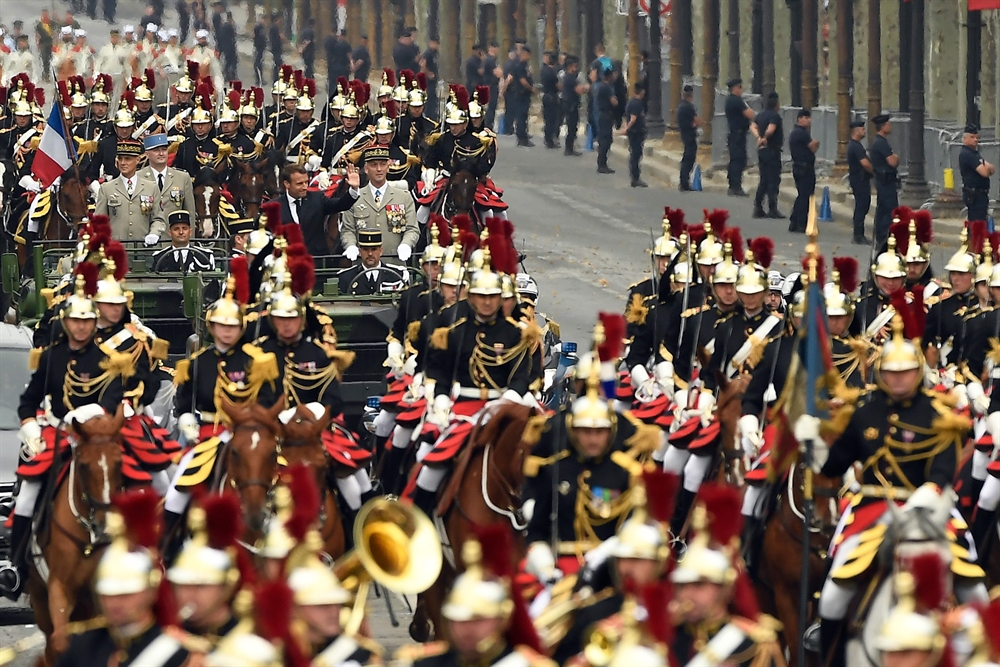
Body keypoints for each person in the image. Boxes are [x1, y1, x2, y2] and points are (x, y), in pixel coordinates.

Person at [801, 310, 984, 667]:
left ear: (918, 372)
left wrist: (929, 493)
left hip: (928, 507)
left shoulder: (938, 414)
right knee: (835, 588)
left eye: (906, 372)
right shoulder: (864, 412)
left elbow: (945, 469)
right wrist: (815, 445)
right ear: (881, 374)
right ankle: (829, 650)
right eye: (891, 373)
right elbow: (835, 466)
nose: (899, 380)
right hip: (872, 507)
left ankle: (984, 645)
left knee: (971, 574)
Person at [1, 271, 127, 601]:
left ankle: (145, 560)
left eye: (87, 321)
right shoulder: (50, 358)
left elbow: (113, 400)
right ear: (67, 322)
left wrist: (86, 418)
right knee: (26, 495)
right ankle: (16, 568)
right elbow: (27, 403)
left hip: (95, 437)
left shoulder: (108, 360)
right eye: (75, 321)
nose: (82, 327)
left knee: (134, 481)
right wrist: (31, 430)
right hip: (56, 436)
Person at [55, 494, 193, 667]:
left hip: (139, 469)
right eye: (109, 594)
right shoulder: (81, 647)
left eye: (126, 594)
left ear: (150, 592)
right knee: (27, 500)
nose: (115, 603)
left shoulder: (178, 654)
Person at [340, 146, 419, 260]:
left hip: (394, 263)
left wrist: (406, 244)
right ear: (366, 169)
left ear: (388, 167)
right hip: (363, 265)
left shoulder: (403, 197)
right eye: (374, 165)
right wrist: (351, 246)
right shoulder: (354, 197)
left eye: (382, 164)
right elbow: (347, 230)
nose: (379, 169)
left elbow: (412, 229)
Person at [279, 163, 360, 259]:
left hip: (317, 262)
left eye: (306, 182)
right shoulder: (274, 206)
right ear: (287, 184)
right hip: (286, 265)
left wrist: (354, 189)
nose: (305, 187)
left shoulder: (317, 199)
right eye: (299, 184)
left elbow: (341, 204)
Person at [95, 139, 166, 245]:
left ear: (137, 160)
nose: (123, 163)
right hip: (116, 251)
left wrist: (154, 233)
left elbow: (158, 218)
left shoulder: (151, 187)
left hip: (144, 249)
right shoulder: (106, 188)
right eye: (120, 158)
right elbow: (99, 221)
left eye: (127, 159)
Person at [140, 133, 196, 222]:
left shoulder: (182, 178)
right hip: (147, 234)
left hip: (174, 233)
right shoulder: (138, 177)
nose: (161, 153)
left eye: (164, 149)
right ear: (147, 154)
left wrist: (190, 235)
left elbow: (190, 213)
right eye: (156, 150)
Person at [337, 229, 408, 295]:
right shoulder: (347, 277)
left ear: (381, 251)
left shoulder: (397, 275)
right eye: (365, 249)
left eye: (374, 249)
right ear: (360, 251)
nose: (370, 253)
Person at [151, 211, 216, 272]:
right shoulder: (160, 258)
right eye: (176, 229)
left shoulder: (204, 256)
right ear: (170, 233)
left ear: (190, 232)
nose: (181, 232)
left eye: (184, 228)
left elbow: (212, 283)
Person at [753, 91, 784, 219]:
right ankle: (772, 207)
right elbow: (771, 128)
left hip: (762, 150)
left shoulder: (761, 115)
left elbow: (753, 126)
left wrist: (758, 137)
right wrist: (765, 137)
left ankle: (758, 206)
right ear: (776, 104)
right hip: (772, 150)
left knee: (763, 179)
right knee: (773, 180)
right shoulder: (775, 116)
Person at [870, 113, 899, 243]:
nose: (890, 126)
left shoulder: (880, 142)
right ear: (883, 126)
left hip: (884, 180)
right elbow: (892, 161)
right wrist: (896, 158)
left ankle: (882, 235)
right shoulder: (881, 143)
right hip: (885, 181)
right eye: (888, 124)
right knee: (889, 209)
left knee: (883, 208)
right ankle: (885, 236)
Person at [788, 108, 818, 233]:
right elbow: (812, 147)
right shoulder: (801, 133)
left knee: (802, 195)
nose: (808, 120)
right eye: (806, 118)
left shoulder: (796, 132)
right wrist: (817, 143)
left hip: (799, 167)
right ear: (799, 119)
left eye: (809, 118)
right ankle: (801, 222)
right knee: (805, 196)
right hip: (804, 168)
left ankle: (794, 220)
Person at [724, 78, 755, 196]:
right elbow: (750, 114)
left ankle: (733, 184)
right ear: (735, 88)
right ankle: (736, 186)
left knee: (735, 159)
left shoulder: (729, 100)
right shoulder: (737, 101)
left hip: (734, 134)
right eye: (740, 87)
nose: (742, 90)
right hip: (738, 134)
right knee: (739, 160)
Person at [960, 124, 995, 222]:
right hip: (975, 194)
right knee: (977, 224)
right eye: (972, 137)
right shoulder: (967, 154)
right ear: (965, 138)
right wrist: (986, 168)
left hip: (981, 194)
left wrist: (987, 168)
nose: (975, 140)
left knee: (981, 222)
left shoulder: (974, 154)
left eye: (976, 137)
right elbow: (985, 172)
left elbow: (992, 169)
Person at [847, 119, 874, 245]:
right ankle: (858, 234)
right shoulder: (855, 146)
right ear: (857, 131)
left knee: (863, 204)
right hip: (859, 179)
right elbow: (864, 163)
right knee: (861, 205)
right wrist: (874, 171)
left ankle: (859, 233)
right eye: (862, 129)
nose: (864, 131)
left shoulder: (855, 145)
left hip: (859, 178)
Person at [620, 82, 648, 188]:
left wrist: (625, 127)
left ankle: (635, 177)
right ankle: (635, 178)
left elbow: (626, 117)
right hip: (636, 132)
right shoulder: (636, 103)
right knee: (636, 154)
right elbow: (633, 118)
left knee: (635, 154)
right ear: (642, 91)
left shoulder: (631, 102)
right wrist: (626, 128)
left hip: (634, 132)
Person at [559, 56, 585, 156]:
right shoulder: (570, 78)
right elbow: (579, 90)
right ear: (570, 67)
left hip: (568, 103)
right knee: (572, 127)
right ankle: (569, 148)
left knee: (572, 127)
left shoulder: (567, 77)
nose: (576, 68)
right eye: (574, 66)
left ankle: (569, 147)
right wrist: (586, 88)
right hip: (570, 104)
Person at [676, 84, 699, 191]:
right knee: (689, 158)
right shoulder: (689, 107)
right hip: (690, 134)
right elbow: (697, 120)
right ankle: (684, 182)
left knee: (687, 157)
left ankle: (683, 180)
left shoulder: (681, 106)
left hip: (684, 134)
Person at [594, 66, 617, 174]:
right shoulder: (606, 88)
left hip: (602, 115)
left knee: (604, 139)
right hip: (606, 115)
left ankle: (602, 163)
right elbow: (614, 102)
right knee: (605, 140)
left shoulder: (600, 86)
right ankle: (602, 164)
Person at [512, 45, 534, 147]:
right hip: (521, 93)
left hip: (525, 94)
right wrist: (531, 88)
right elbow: (523, 81)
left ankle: (523, 135)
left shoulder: (525, 65)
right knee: (521, 116)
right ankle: (521, 137)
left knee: (524, 116)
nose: (529, 57)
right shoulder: (519, 66)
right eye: (528, 55)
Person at [540, 51, 560, 149]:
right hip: (552, 96)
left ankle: (547, 138)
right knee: (552, 119)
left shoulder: (544, 71)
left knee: (548, 119)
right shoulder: (552, 73)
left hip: (546, 95)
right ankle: (549, 140)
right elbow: (558, 85)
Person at [325, 29, 352, 94]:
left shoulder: (334, 44)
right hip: (343, 68)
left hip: (334, 67)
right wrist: (352, 64)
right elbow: (349, 55)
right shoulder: (346, 45)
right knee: (343, 84)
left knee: (333, 83)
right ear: (345, 36)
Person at [421, 36, 440, 121]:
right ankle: (429, 115)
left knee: (433, 97)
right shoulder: (428, 53)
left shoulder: (435, 53)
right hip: (428, 80)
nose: (436, 45)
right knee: (430, 97)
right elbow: (422, 64)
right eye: (435, 43)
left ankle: (433, 114)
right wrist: (428, 73)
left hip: (433, 80)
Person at [35, 9, 55, 81]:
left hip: (50, 43)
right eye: (43, 14)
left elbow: (56, 33)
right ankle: (45, 74)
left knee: (51, 59)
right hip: (43, 43)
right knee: (44, 59)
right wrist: (37, 43)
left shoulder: (52, 23)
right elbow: (37, 35)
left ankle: (51, 73)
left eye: (46, 14)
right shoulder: (39, 25)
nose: (45, 15)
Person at [218, 11, 238, 82]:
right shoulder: (229, 26)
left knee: (228, 61)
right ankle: (230, 75)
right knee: (232, 61)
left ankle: (227, 74)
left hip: (226, 45)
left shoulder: (223, 26)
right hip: (230, 45)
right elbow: (234, 34)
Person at [252, 12, 267, 87]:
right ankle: (258, 78)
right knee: (258, 63)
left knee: (260, 62)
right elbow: (254, 36)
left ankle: (259, 78)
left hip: (261, 47)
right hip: (258, 47)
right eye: (262, 18)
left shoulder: (262, 27)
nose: (263, 20)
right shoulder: (258, 27)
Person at [269, 12, 284, 82]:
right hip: (276, 48)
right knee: (278, 63)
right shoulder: (275, 27)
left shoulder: (271, 27)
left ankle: (276, 77)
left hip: (274, 47)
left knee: (277, 62)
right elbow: (281, 36)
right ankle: (276, 78)